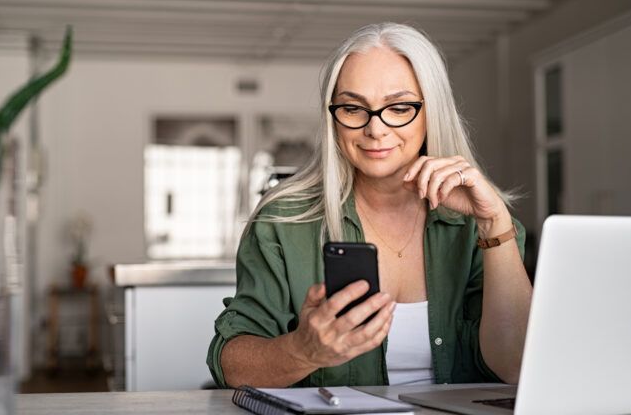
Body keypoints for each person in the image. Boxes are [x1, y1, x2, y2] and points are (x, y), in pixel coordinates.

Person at [207, 22, 532, 389]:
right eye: (353, 108)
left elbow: (518, 366)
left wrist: (495, 225)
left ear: (432, 112)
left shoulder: (484, 226)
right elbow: (231, 366)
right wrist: (303, 351)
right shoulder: (283, 221)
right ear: (334, 118)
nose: (375, 129)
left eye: (399, 107)